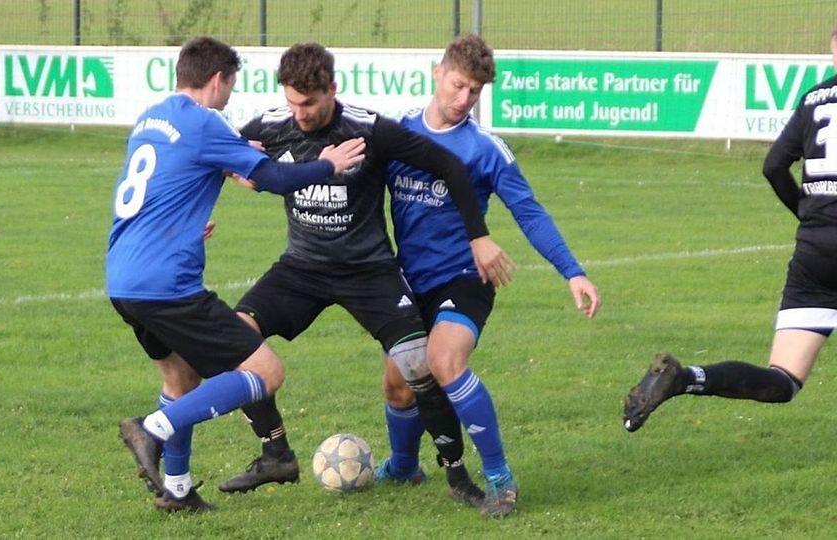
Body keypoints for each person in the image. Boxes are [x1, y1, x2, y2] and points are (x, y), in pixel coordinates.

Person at [217, 42, 515, 507]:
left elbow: (448, 166)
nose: (300, 114)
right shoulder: (274, 123)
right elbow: (216, 155)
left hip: (369, 271)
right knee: (233, 336)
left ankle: (458, 477)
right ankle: (275, 450)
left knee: (419, 366)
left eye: (310, 103)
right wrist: (235, 169)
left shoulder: (370, 128)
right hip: (302, 268)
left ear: (331, 90)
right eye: (293, 101)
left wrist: (478, 235)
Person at [107, 36, 365, 513]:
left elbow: (154, 189)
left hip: (123, 277)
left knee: (179, 379)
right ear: (218, 79)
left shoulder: (151, 118)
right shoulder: (205, 122)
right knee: (266, 372)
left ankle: (178, 491)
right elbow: (275, 179)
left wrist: (182, 224)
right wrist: (327, 163)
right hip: (167, 286)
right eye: (231, 87)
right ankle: (153, 429)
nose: (230, 99)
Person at [375, 34, 601, 518]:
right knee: (397, 385)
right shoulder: (399, 133)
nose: (463, 100)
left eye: (474, 92)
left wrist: (572, 272)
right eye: (458, 86)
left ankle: (500, 478)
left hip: (466, 277)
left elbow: (529, 212)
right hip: (407, 282)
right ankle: (402, 465)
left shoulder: (485, 149)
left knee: (443, 361)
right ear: (437, 73)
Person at [622, 27, 837, 432]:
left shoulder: (813, 99)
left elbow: (773, 166)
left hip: (815, 253)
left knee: (784, 379)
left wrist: (809, 216)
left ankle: (686, 379)